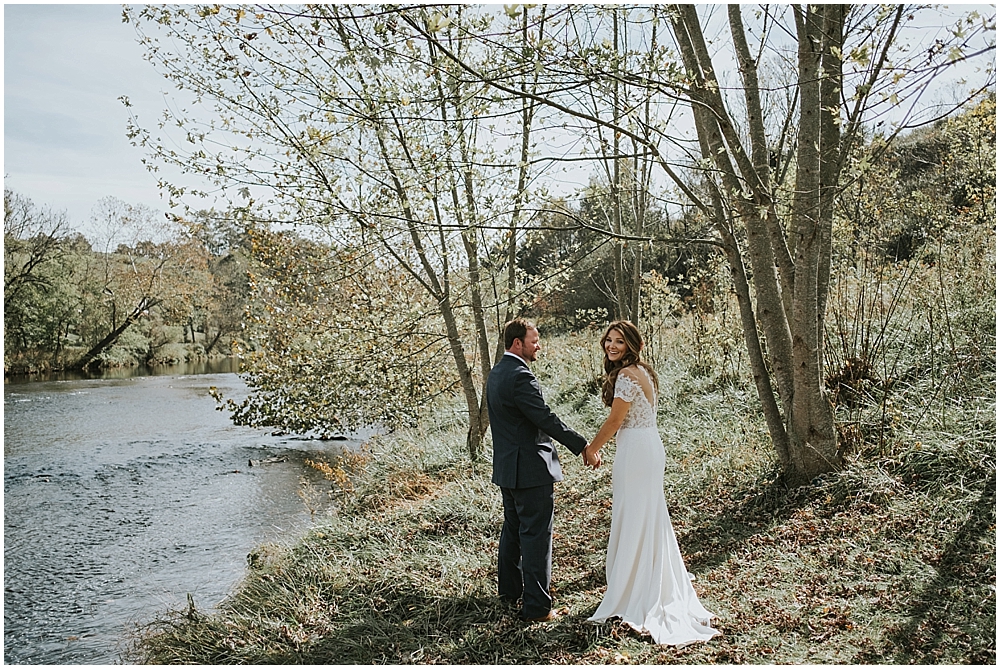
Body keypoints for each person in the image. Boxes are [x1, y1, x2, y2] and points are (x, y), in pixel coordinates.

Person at [584, 320, 718, 645]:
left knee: (636, 515)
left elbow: (616, 420)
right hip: (645, 446)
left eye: (619, 341)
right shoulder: (640, 370)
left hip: (638, 452)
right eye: (608, 340)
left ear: (633, 345)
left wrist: (592, 448)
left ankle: (635, 588)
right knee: (645, 515)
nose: (611, 346)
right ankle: (640, 580)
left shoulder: (627, 376)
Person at [486, 317, 597, 622]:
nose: (539, 346)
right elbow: (544, 418)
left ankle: (510, 593)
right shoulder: (520, 376)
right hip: (531, 470)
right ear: (517, 343)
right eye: (534, 341)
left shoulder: (496, 373)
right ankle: (536, 608)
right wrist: (582, 445)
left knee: (513, 531)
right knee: (536, 537)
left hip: (507, 469)